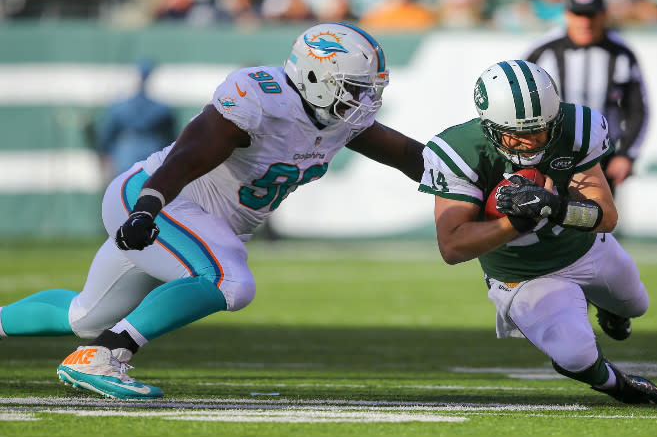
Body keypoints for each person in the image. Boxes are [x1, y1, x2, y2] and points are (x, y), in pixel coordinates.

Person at [0, 22, 424, 400]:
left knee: (85, 317)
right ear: (315, 76)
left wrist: (467, 181)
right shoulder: (261, 96)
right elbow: (188, 154)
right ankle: (105, 355)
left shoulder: (338, 120)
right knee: (230, 281)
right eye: (352, 87)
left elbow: (410, 156)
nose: (362, 98)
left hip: (193, 225)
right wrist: (149, 206)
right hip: (161, 199)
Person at [418, 59, 657, 404]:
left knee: (636, 304)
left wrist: (556, 207)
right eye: (517, 135)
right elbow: (452, 247)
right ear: (490, 127)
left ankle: (609, 307)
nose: (531, 142)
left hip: (585, 249)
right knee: (576, 355)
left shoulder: (576, 127)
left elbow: (606, 217)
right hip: (523, 276)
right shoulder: (459, 150)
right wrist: (515, 222)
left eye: (540, 130)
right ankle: (613, 383)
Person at [522, 0, 649, 194]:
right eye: (578, 14)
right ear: (566, 15)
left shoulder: (622, 54)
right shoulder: (543, 50)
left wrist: (626, 154)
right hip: (550, 153)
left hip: (602, 156)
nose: (585, 22)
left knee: (597, 220)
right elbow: (519, 101)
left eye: (591, 15)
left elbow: (638, 109)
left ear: (604, 15)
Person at [96, 59, 176, 179]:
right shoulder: (162, 109)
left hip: (126, 158)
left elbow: (106, 139)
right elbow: (171, 140)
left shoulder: (120, 107)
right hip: (151, 159)